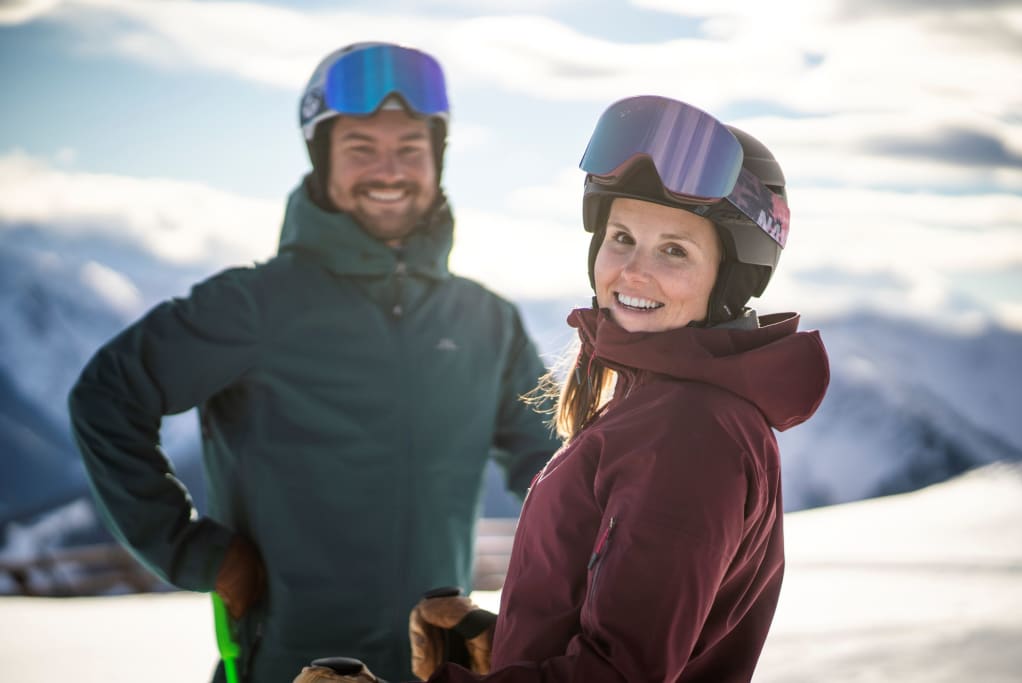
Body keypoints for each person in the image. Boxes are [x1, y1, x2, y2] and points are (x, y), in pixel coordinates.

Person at [67, 42, 561, 683]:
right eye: (361, 148)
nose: (390, 170)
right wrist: (194, 552)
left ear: (437, 158)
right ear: (320, 158)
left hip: (434, 666)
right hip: (287, 663)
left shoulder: (486, 320)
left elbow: (552, 470)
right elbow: (107, 395)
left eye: (410, 147)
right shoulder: (256, 304)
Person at [295, 95, 830, 682]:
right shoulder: (659, 406)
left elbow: (620, 675)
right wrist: (506, 645)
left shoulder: (690, 433)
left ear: (731, 277)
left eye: (674, 250)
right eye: (621, 236)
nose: (632, 271)